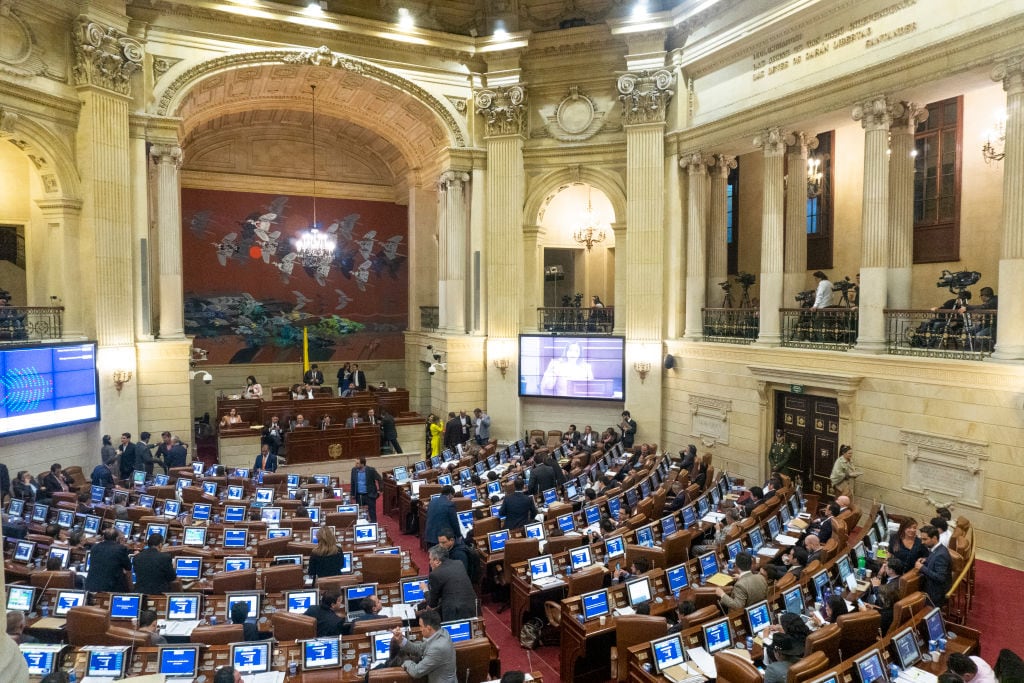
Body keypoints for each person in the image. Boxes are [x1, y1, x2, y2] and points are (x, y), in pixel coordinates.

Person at [390, 609, 457, 683]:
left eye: (421, 626)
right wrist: (401, 640)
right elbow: (419, 649)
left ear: (428, 628)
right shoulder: (442, 632)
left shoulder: (437, 648)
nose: (420, 629)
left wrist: (405, 662)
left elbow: (416, 672)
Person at [424, 544, 477, 622]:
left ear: (437, 561)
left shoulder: (435, 574)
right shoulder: (459, 563)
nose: (429, 562)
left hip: (454, 611)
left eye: (430, 559)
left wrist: (425, 590)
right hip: (471, 604)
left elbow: (432, 604)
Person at [85, 527, 132, 592]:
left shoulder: (95, 547)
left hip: (91, 585)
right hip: (110, 588)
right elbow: (128, 567)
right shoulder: (120, 549)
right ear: (117, 538)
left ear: (104, 537)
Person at [916, 524, 952, 607]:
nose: (922, 542)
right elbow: (935, 561)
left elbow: (940, 578)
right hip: (933, 587)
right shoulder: (938, 549)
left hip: (936, 593)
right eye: (921, 539)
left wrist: (922, 568)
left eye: (925, 539)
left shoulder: (941, 555)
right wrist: (926, 560)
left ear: (934, 538)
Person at [350, 457, 382, 523]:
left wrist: (379, 490)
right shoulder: (354, 470)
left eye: (357, 463)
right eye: (355, 463)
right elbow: (353, 482)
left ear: (362, 464)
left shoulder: (371, 470)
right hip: (359, 496)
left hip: (369, 495)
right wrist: (352, 494)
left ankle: (374, 525)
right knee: (360, 513)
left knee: (372, 513)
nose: (355, 465)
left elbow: (379, 479)